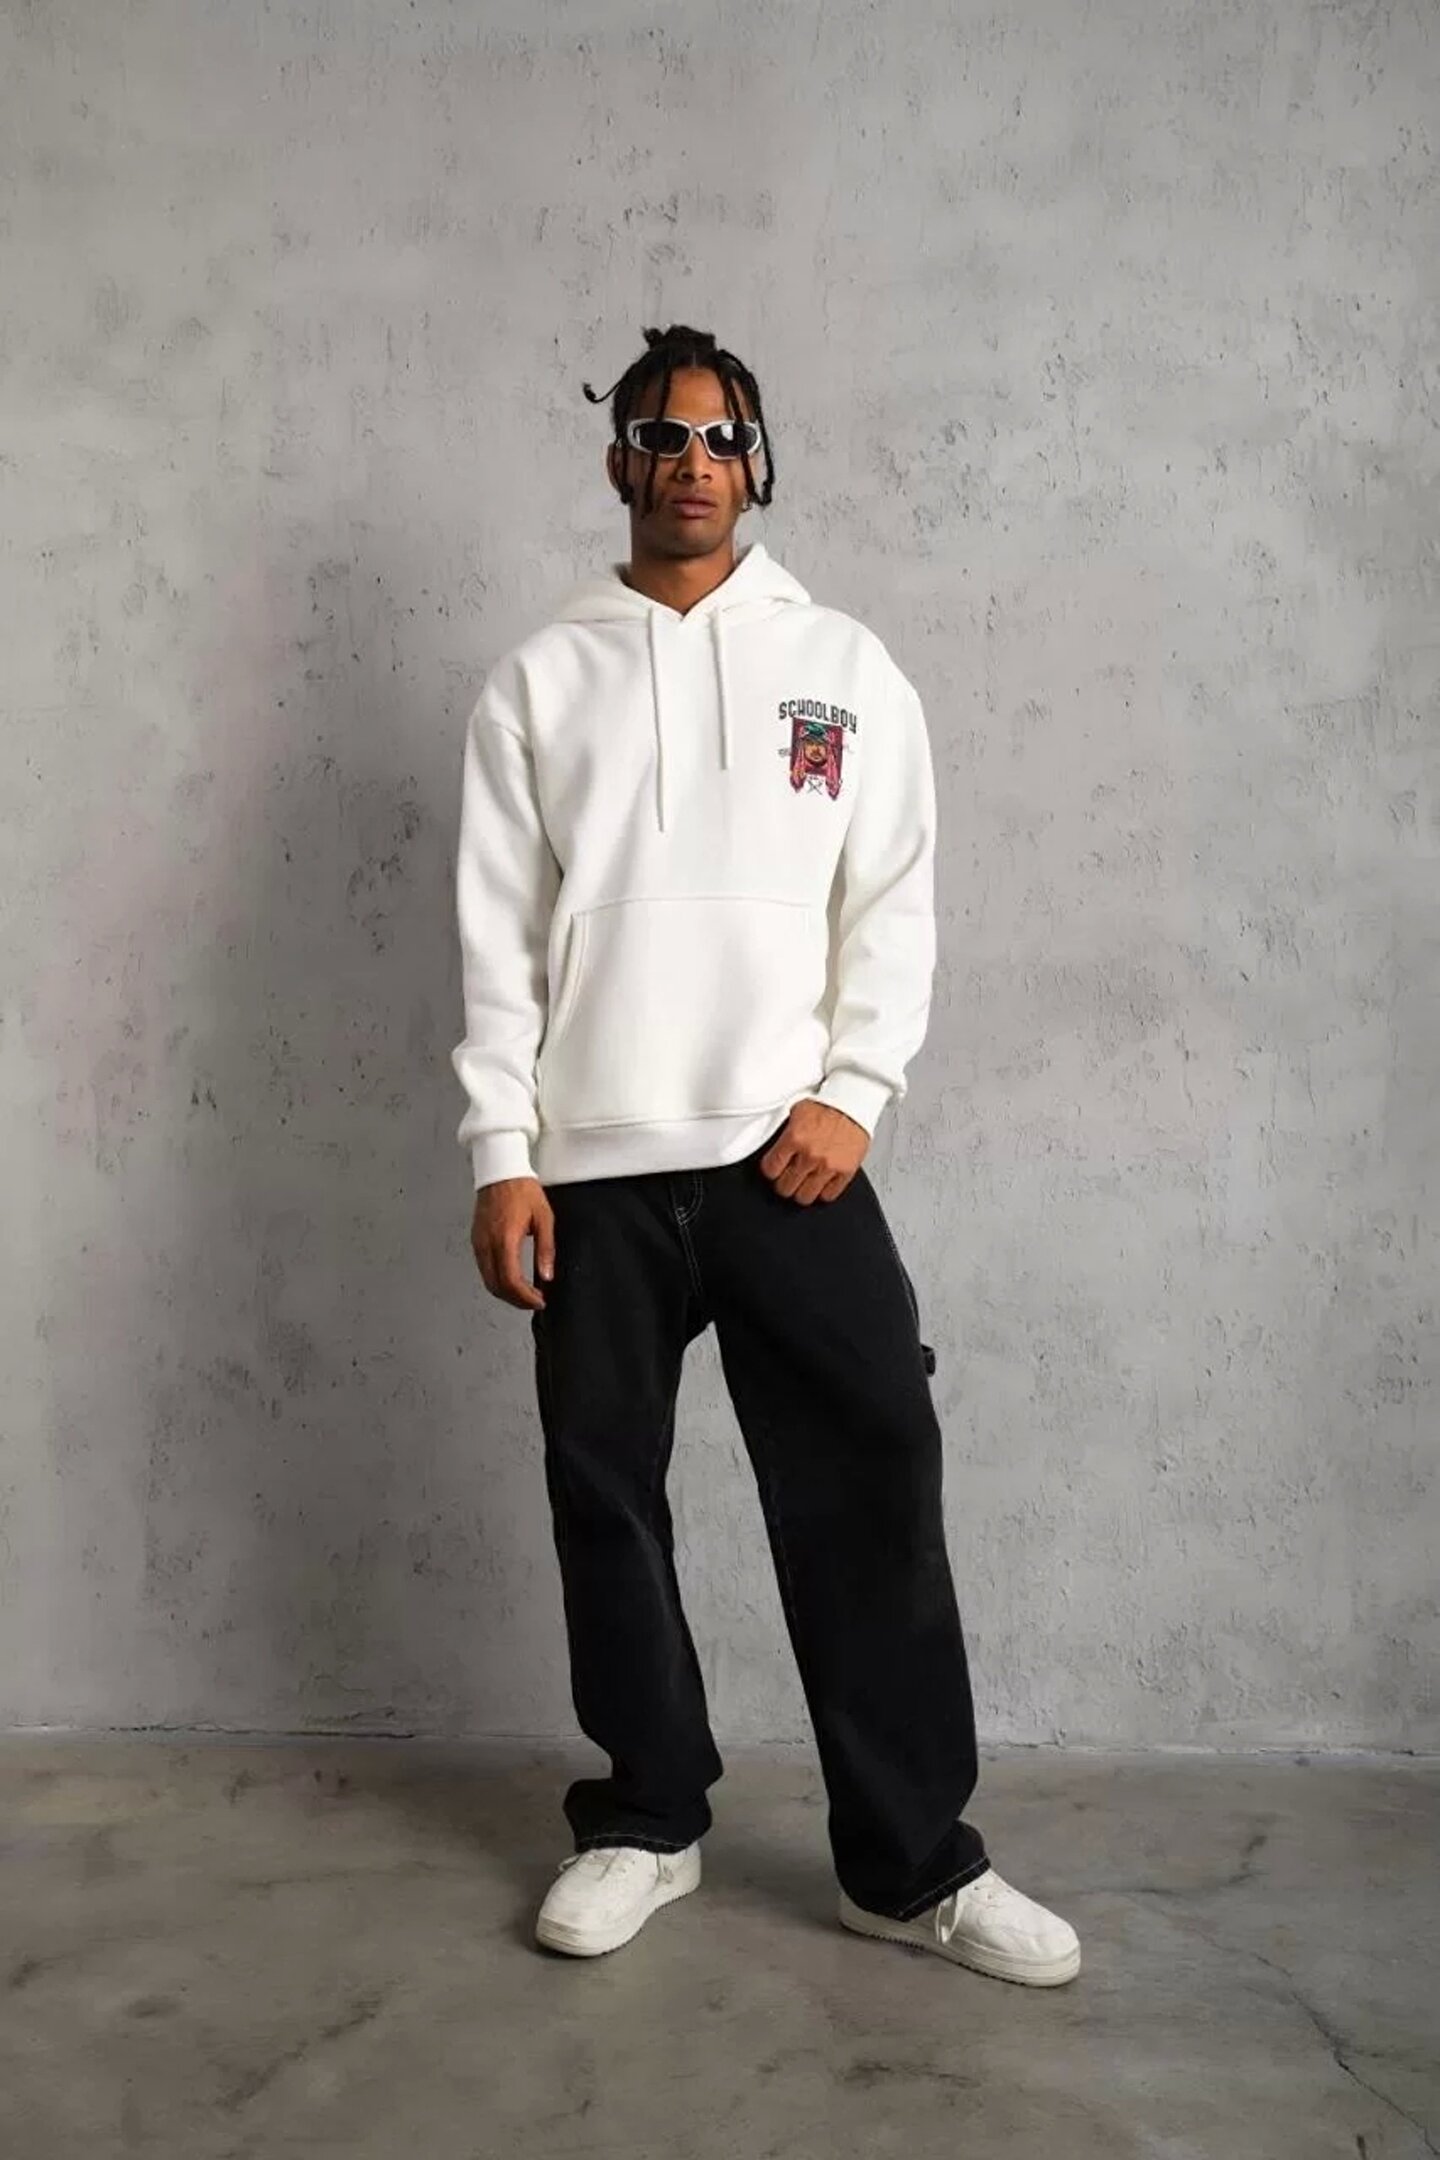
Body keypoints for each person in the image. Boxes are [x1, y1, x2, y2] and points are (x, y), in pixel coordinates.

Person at [450, 323, 1080, 1987]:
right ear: (620, 460)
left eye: (722, 438)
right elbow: (497, 941)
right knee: (606, 1492)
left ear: (759, 462)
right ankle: (647, 1820)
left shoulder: (845, 666)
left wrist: (853, 1092)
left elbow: (893, 899)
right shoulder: (539, 681)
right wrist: (502, 1150)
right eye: (662, 437)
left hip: (786, 1154)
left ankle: (910, 1866)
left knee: (873, 1471)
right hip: (591, 1161)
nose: (693, 464)